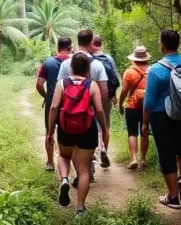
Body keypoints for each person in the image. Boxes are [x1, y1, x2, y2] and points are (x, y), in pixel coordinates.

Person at [143, 30, 181, 210]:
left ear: (162, 44)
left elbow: (149, 101)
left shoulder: (156, 69)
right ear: (178, 44)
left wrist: (145, 121)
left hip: (162, 115)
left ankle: (173, 197)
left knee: (166, 153)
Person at [47, 52, 109, 217]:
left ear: (71, 67)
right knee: (83, 171)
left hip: (66, 128)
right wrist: (103, 128)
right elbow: (99, 109)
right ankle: (80, 208)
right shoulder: (92, 85)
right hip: (87, 129)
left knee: (64, 156)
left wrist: (50, 130)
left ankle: (65, 179)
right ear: (87, 68)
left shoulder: (62, 83)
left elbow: (53, 107)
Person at [57, 29, 109, 183]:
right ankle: (86, 172)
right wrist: (103, 111)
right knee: (87, 143)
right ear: (92, 41)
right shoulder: (98, 64)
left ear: (76, 41)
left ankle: (78, 173)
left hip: (69, 112)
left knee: (70, 146)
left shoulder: (66, 63)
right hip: (90, 112)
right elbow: (104, 89)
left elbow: (59, 87)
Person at [36, 37, 73, 171]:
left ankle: (50, 162)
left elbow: (39, 84)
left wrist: (47, 96)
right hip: (70, 101)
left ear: (58, 47)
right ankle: (68, 160)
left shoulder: (48, 63)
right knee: (70, 130)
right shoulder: (74, 61)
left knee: (50, 130)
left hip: (52, 101)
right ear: (70, 47)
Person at [118, 45, 151, 170]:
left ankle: (133, 158)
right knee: (144, 132)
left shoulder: (129, 72)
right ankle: (143, 159)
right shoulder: (151, 70)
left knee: (132, 132)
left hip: (131, 105)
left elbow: (125, 91)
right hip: (147, 106)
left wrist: (120, 104)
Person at [91, 35, 119, 167]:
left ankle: (94, 151)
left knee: (91, 123)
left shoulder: (88, 58)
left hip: (90, 95)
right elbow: (113, 78)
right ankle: (104, 149)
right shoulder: (109, 58)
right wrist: (114, 97)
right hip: (106, 95)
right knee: (105, 124)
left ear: (92, 43)